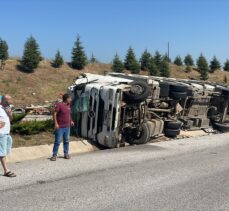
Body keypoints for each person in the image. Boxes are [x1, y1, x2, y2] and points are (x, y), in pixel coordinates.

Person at [50, 93, 74, 161]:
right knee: (57, 141)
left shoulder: (68, 105)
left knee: (66, 141)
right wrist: (56, 124)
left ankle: (66, 154)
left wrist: (71, 120)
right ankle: (54, 155)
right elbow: (54, 114)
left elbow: (69, 114)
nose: (71, 100)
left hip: (67, 127)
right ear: (66, 99)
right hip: (60, 127)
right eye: (70, 98)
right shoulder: (59, 105)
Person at [0, 95, 16, 177]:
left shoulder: (7, 108)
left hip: (7, 133)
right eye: (10, 99)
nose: (11, 101)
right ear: (5, 100)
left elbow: (11, 119)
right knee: (2, 152)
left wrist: (9, 113)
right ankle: (6, 170)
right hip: (1, 133)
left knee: (5, 151)